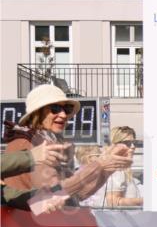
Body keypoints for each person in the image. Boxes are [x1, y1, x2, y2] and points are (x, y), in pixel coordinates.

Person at [3, 84, 132, 207]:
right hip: (27, 226)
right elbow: (53, 195)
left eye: (67, 109)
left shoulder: (49, 142)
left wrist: (107, 169)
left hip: (49, 223)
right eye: (55, 109)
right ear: (37, 113)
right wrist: (99, 164)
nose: (64, 115)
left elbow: (75, 195)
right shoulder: (23, 143)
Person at [97, 126, 143, 208]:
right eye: (127, 143)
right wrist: (146, 200)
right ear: (113, 145)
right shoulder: (116, 169)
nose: (133, 147)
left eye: (134, 143)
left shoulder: (121, 168)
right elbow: (113, 202)